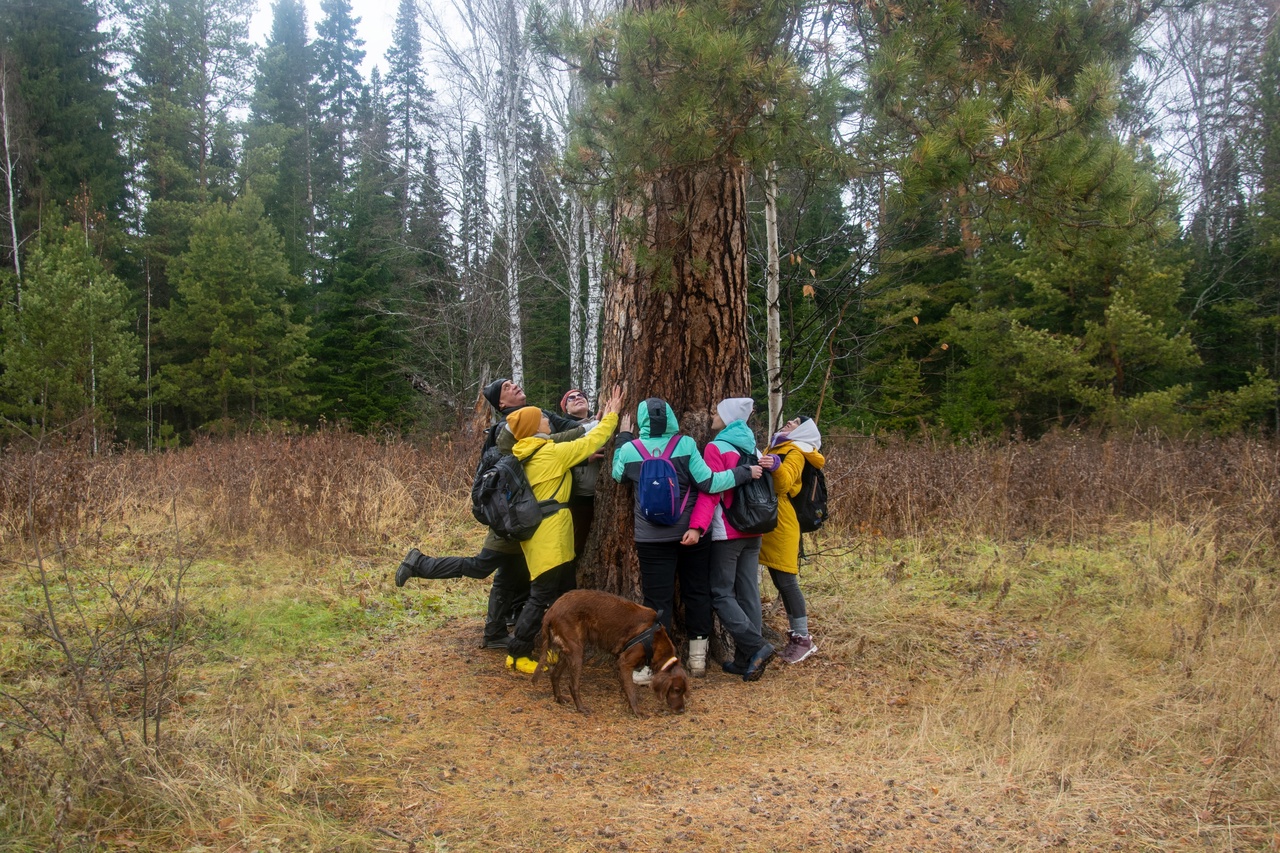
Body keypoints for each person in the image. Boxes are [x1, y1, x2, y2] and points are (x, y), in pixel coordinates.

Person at [394, 378, 585, 649]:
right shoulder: (504, 431)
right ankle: (420, 564)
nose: (515, 386)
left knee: (509, 570)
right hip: (512, 514)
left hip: (530, 515)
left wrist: (587, 423)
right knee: (485, 565)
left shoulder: (537, 415)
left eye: (513, 382)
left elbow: (573, 428)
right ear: (501, 403)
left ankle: (497, 630)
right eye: (506, 387)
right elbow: (544, 446)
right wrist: (572, 446)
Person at [611, 397, 762, 683]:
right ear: (670, 418)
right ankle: (697, 660)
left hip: (651, 538)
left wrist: (623, 438)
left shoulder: (631, 450)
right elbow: (709, 483)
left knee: (656, 602)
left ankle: (651, 665)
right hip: (691, 534)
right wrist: (742, 473)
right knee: (697, 593)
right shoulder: (686, 445)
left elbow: (617, 475)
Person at [504, 385, 624, 674]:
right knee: (541, 596)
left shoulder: (527, 452)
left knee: (564, 595)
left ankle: (558, 648)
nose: (547, 420)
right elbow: (591, 439)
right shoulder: (550, 454)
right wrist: (612, 416)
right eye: (541, 419)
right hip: (550, 538)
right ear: (534, 428)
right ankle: (517, 654)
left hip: (545, 536)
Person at [686, 398, 777, 681]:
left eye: (716, 412)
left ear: (726, 417)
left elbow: (711, 490)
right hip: (755, 530)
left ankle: (757, 646)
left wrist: (698, 526)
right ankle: (744, 659)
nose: (712, 416)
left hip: (728, 531)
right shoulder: (753, 445)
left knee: (721, 593)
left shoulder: (717, 447)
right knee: (748, 593)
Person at [760, 416, 826, 664]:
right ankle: (796, 638)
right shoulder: (777, 445)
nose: (789, 421)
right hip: (769, 520)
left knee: (786, 580)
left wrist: (776, 466)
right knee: (780, 580)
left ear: (804, 431)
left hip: (782, 524)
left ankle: (803, 638)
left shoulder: (796, 450)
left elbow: (785, 484)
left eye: (797, 422)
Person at [558, 388, 603, 558]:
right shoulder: (562, 431)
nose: (578, 398)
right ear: (566, 409)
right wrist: (584, 457)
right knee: (577, 544)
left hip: (605, 494)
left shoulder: (600, 421)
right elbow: (558, 460)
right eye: (571, 398)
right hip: (579, 498)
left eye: (581, 396)